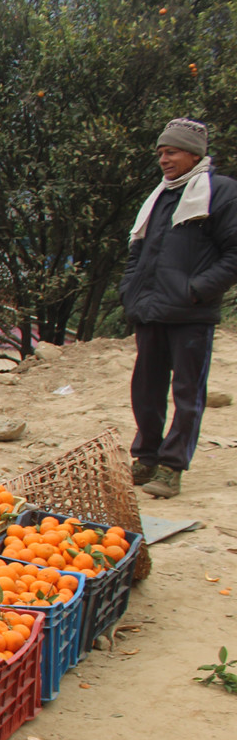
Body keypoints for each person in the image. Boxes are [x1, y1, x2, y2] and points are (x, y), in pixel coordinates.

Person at [120, 117, 237, 499]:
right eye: (160, 153)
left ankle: (172, 466)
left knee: (187, 392)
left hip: (191, 312)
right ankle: (147, 456)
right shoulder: (161, 195)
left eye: (170, 152)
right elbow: (138, 249)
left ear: (193, 154)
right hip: (151, 308)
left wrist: (197, 290)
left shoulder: (220, 193)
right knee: (146, 389)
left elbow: (233, 255)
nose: (163, 160)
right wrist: (130, 289)